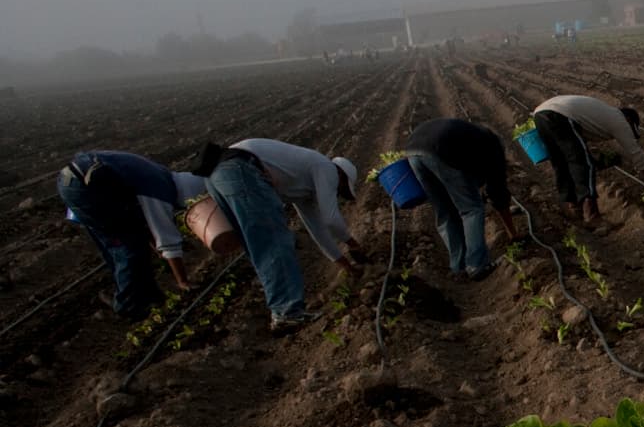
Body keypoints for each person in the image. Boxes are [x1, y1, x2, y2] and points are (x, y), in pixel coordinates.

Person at [197, 139, 365, 332]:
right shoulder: (327, 168)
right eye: (341, 189)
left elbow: (316, 228)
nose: (337, 192)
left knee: (260, 245)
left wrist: (345, 264)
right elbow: (331, 219)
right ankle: (288, 313)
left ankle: (282, 312)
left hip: (217, 173)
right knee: (274, 241)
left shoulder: (301, 187)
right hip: (241, 168)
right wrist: (352, 244)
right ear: (342, 176)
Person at [56, 151, 206, 320]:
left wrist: (153, 243)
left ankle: (148, 296)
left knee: (133, 238)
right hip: (85, 188)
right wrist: (183, 281)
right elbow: (167, 240)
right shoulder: (158, 192)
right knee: (128, 247)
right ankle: (127, 308)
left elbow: (145, 223)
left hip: (80, 179)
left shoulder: (163, 177)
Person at [403, 118, 523, 280]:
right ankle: (477, 265)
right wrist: (512, 234)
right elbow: (498, 192)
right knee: (471, 208)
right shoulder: (493, 148)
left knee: (445, 212)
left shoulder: (473, 138)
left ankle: (458, 267)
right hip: (441, 149)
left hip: (413, 152)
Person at [532, 95, 644, 222]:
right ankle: (591, 214)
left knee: (560, 162)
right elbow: (636, 154)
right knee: (583, 163)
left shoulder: (603, 114)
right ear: (629, 120)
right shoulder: (620, 120)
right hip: (560, 115)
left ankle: (573, 206)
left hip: (540, 114)